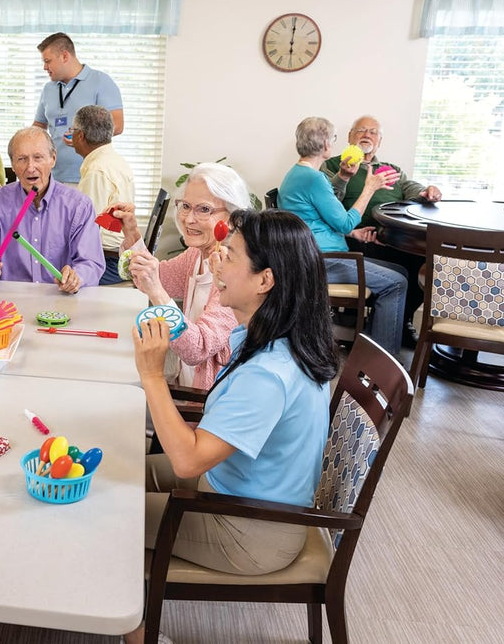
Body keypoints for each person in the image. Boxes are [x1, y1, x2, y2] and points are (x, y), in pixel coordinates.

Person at [125, 210, 340, 644]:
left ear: (265, 280)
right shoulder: (272, 335)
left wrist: (151, 375)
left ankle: (136, 634)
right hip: (239, 489)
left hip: (251, 528)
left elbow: (187, 461)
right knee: (124, 467)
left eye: (230, 256)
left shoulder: (270, 373)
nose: (216, 263)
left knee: (108, 517)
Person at [107, 163, 249, 389]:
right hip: (186, 384)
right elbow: (158, 277)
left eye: (204, 209)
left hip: (205, 405)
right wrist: (132, 232)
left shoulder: (234, 272)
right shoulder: (196, 254)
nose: (189, 219)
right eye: (185, 206)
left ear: (233, 216)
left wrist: (156, 291)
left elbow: (198, 348)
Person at [277, 116, 407, 357]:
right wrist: (370, 188)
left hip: (317, 254)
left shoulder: (299, 173)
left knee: (401, 272)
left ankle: (370, 340)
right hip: (321, 260)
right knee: (396, 284)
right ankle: (379, 361)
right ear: (326, 144)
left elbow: (321, 218)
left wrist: (351, 231)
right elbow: (345, 220)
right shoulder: (314, 178)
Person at [321, 115, 442, 345]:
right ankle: (383, 330)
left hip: (389, 241)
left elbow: (411, 188)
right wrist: (344, 176)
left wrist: (427, 191)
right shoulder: (333, 166)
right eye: (361, 130)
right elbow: (327, 204)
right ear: (350, 137)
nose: (367, 135)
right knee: (402, 272)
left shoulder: (390, 169)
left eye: (373, 132)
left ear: (380, 141)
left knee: (423, 266)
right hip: (351, 241)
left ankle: (396, 321)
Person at [0, 126, 104, 293]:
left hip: (62, 303)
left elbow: (91, 263)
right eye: (22, 159)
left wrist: (77, 276)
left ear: (53, 159)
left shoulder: (79, 206)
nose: (30, 167)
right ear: (13, 165)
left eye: (38, 157)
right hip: (8, 305)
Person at [32, 32, 123, 185]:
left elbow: (118, 126)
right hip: (53, 178)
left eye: (48, 61)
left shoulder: (101, 81)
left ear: (65, 56)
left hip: (90, 176)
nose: (44, 67)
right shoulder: (48, 89)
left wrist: (83, 137)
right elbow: (39, 126)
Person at [71, 104, 135, 285]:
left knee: (45, 272)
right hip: (116, 255)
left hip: (109, 262)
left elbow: (85, 227)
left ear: (80, 135)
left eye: (73, 130)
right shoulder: (116, 161)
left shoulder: (97, 170)